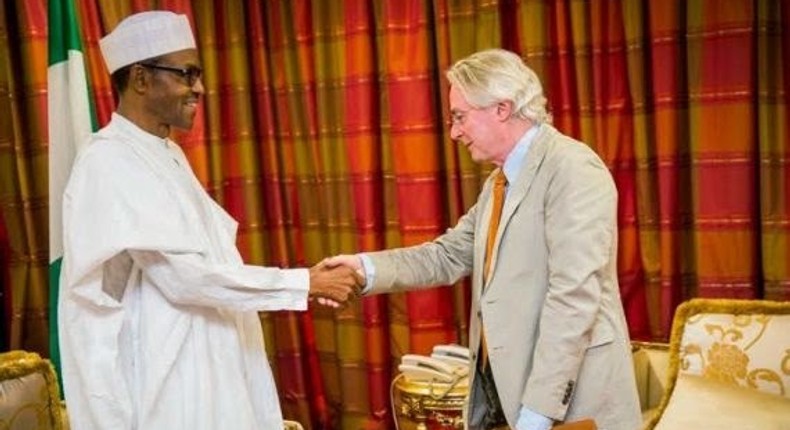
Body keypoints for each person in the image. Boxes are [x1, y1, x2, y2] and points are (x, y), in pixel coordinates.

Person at [58, 11, 359, 430]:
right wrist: (304, 282)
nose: (198, 88)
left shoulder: (166, 153)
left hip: (211, 359)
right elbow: (183, 277)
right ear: (141, 79)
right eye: (186, 74)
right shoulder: (107, 160)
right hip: (165, 377)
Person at [327, 49, 641, 430]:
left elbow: (574, 296)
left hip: (570, 402)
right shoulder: (498, 183)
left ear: (502, 108)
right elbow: (447, 255)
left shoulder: (572, 168)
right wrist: (363, 268)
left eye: (460, 117)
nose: (454, 132)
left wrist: (538, 413)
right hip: (510, 396)